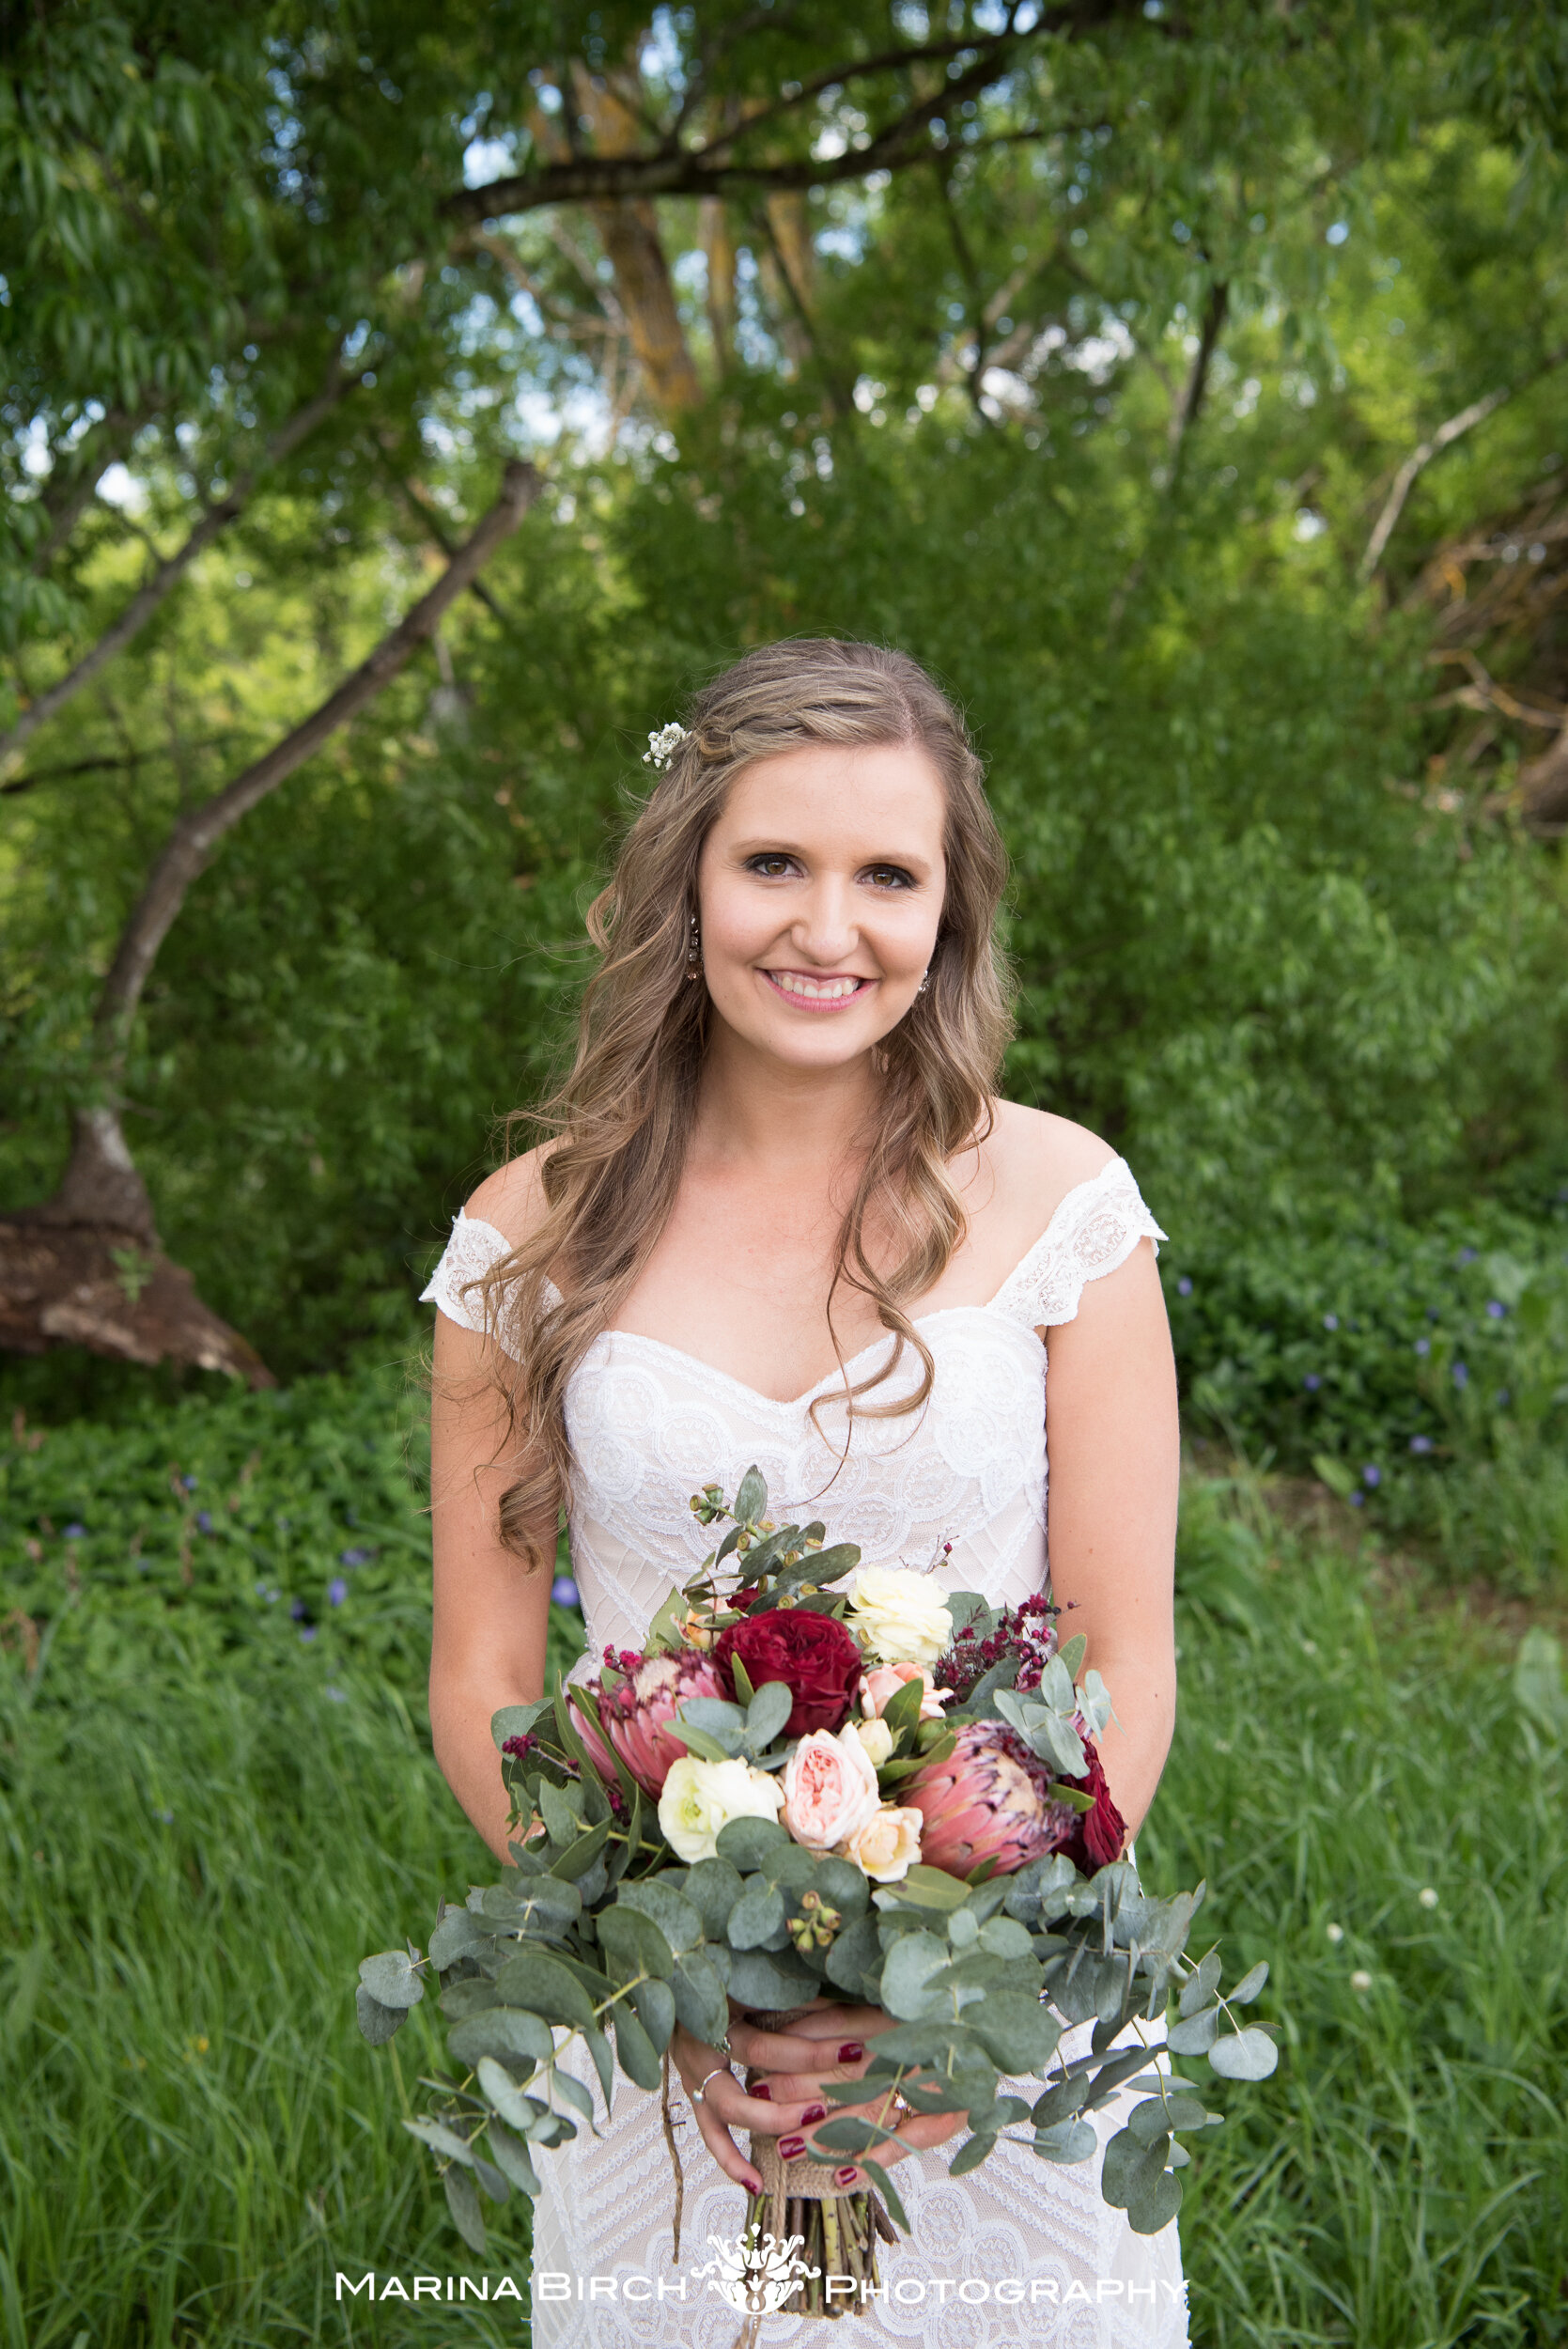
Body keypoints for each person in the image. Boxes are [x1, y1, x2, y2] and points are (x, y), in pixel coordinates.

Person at [422, 639, 1186, 2347]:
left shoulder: (1061, 1202)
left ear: (948, 909)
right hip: (669, 2009)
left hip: (991, 1992)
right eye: (773, 861)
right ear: (683, 875)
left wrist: (963, 1985)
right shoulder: (527, 1235)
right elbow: (482, 1672)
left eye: (885, 876)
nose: (825, 930)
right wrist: (664, 1969)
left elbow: (1119, 1640)